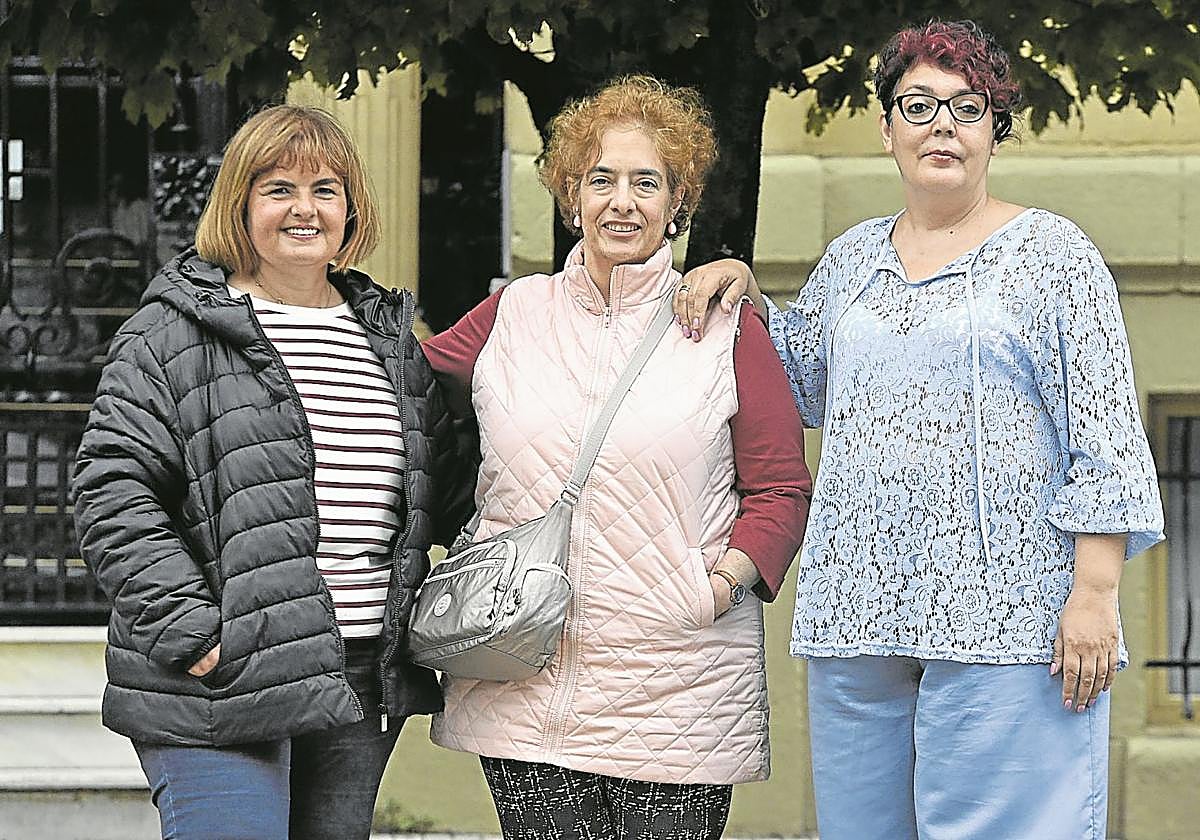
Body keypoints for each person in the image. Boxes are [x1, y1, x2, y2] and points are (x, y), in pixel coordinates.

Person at [676, 19, 1165, 840]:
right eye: (919, 105)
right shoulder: (851, 260)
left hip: (1006, 623)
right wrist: (744, 291)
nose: (943, 126)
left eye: (967, 108)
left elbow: (1107, 435)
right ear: (886, 127)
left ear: (995, 132)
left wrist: (1094, 592)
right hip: (857, 615)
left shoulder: (1053, 256)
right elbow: (798, 385)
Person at [421, 75, 812, 839]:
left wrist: (718, 586)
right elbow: (400, 392)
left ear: (678, 202)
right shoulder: (514, 314)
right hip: (522, 678)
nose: (622, 202)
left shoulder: (726, 330)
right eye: (601, 180)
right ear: (572, 196)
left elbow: (781, 488)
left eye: (646, 182)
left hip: (677, 687)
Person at [73, 104, 471, 840]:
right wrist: (192, 634)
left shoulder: (390, 344)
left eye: (325, 190)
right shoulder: (172, 333)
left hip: (356, 674)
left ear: (351, 209)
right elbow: (112, 492)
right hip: (220, 678)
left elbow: (447, 494)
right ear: (240, 204)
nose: (304, 209)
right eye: (278, 189)